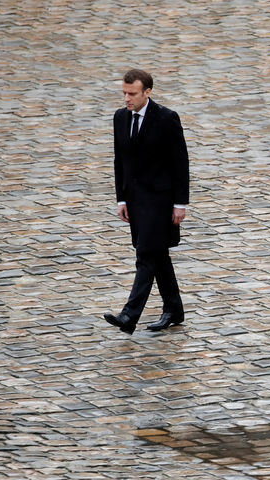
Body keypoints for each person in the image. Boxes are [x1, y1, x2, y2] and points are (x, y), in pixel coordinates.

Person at [103, 69, 190, 335]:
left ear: (147, 92)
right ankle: (174, 310)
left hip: (160, 202)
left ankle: (129, 315)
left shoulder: (166, 119)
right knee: (157, 255)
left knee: (145, 256)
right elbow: (120, 161)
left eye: (132, 94)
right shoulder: (120, 117)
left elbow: (180, 162)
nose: (126, 99)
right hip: (136, 201)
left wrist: (180, 204)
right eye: (124, 93)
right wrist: (121, 198)